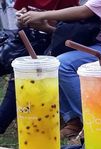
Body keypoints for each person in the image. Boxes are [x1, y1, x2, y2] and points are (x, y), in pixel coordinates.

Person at [20, 0, 101, 139]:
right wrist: (41, 22)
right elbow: (80, 26)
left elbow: (84, 11)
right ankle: (73, 122)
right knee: (50, 62)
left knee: (62, 64)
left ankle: (96, 121)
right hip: (100, 44)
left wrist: (41, 15)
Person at [0, 0, 79, 134]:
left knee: (21, 76)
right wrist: (22, 20)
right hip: (26, 39)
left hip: (53, 43)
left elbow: (68, 35)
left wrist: (45, 27)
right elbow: (19, 22)